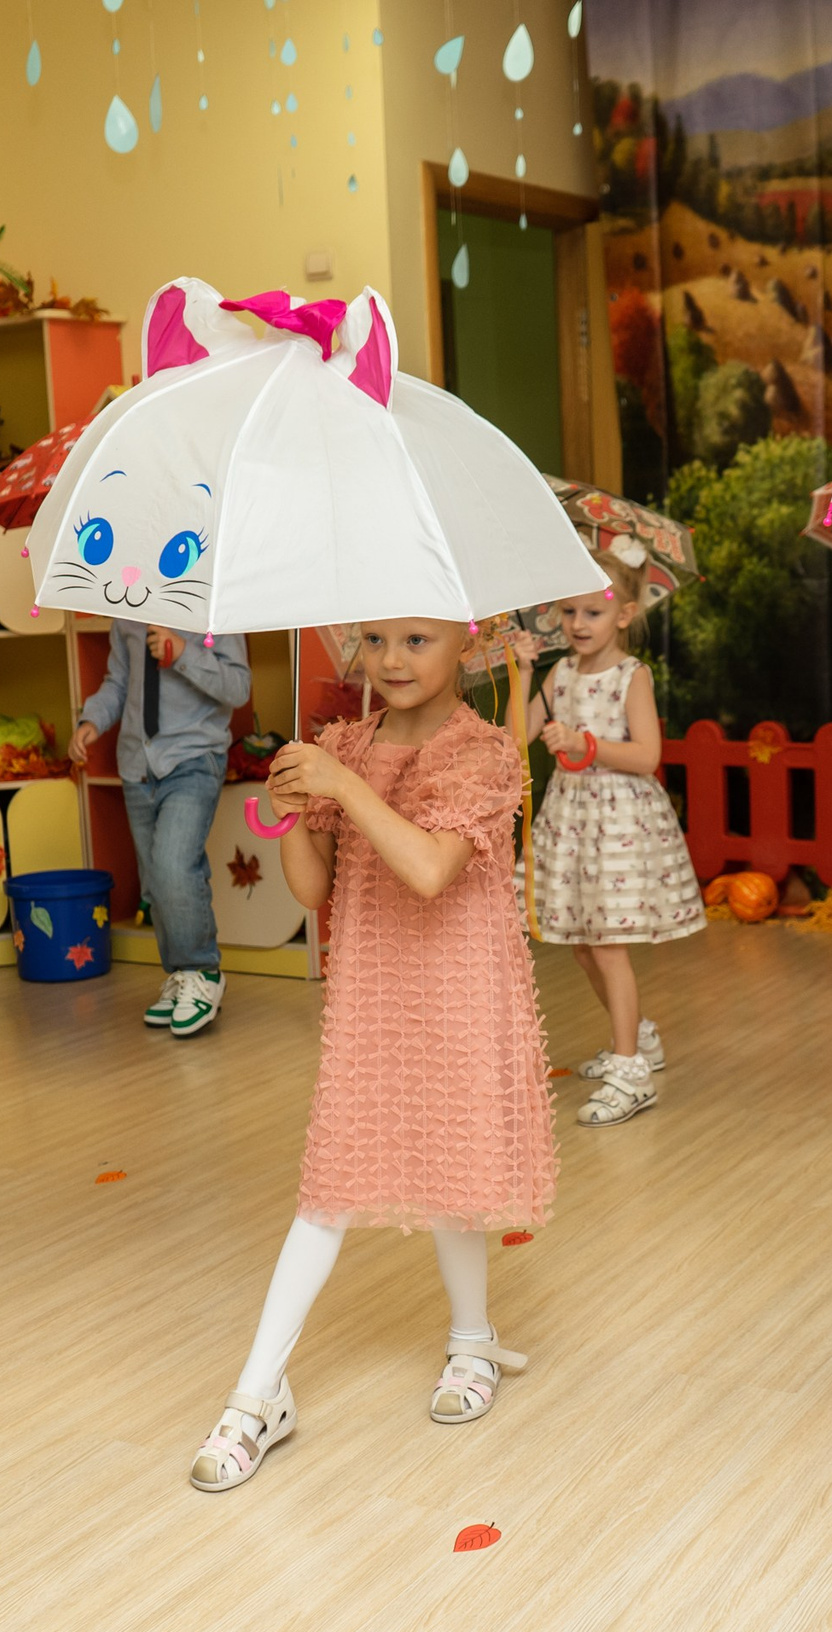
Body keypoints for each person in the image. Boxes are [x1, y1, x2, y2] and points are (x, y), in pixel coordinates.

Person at [188, 616, 551, 1491]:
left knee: (455, 1166)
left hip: (459, 986)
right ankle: (256, 1395)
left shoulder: (485, 752)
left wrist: (342, 786)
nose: (392, 659)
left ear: (470, 645)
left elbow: (430, 870)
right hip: (374, 995)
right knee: (330, 1187)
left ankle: (471, 1341)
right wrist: (292, 818)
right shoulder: (344, 742)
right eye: (378, 639)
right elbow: (315, 889)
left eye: (419, 640)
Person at [513, 549, 704, 1127]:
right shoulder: (559, 673)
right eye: (568, 611)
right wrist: (524, 671)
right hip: (571, 821)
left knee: (606, 943)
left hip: (618, 824)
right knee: (579, 939)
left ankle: (630, 1071)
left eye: (591, 612)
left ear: (622, 615)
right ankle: (639, 1038)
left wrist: (585, 745)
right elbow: (517, 737)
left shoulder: (631, 675)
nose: (577, 624)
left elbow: (648, 756)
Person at [69, 622, 253, 1037]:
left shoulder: (214, 612)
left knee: (174, 865)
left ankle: (201, 971)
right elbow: (119, 682)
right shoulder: (128, 613)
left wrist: (183, 653)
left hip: (194, 758)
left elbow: (238, 687)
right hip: (138, 765)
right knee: (157, 881)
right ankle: (180, 975)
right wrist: (92, 721)